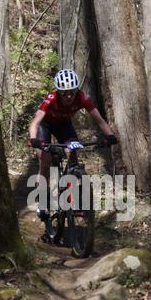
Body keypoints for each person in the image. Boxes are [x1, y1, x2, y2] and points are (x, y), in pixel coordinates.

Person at [29, 68, 117, 219]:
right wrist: (33, 139)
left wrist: (110, 136)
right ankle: (42, 202)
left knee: (72, 153)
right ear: (58, 92)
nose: (69, 96)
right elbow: (35, 122)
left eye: (72, 91)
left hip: (64, 126)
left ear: (77, 90)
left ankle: (73, 195)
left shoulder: (82, 98)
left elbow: (100, 120)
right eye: (64, 93)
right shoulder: (51, 98)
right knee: (45, 160)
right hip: (45, 126)